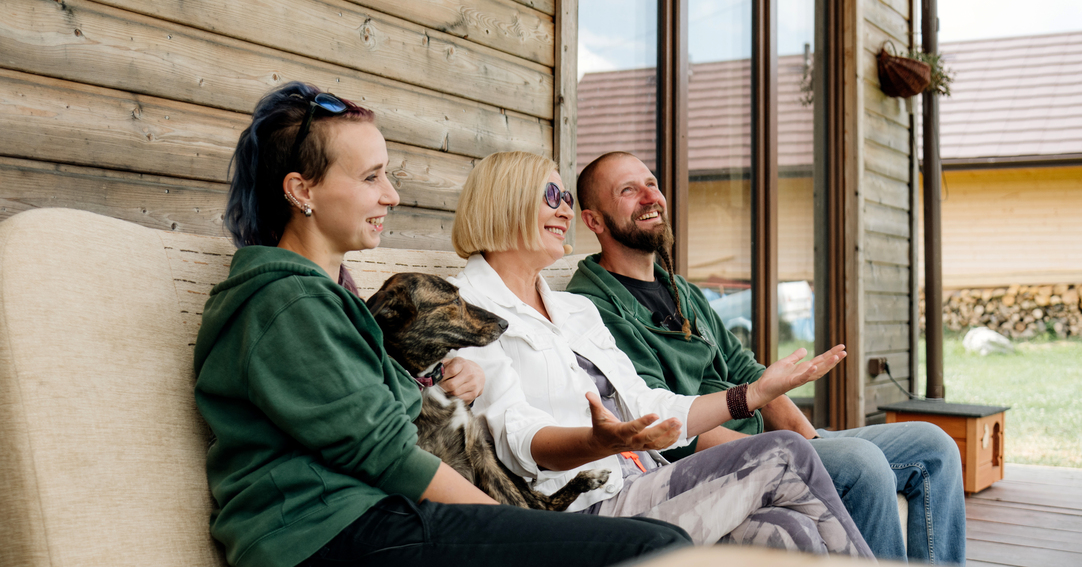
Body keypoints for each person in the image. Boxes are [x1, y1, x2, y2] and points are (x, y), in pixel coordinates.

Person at [191, 84, 696, 567]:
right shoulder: (285, 301)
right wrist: (517, 527)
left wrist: (448, 385)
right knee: (659, 548)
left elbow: (382, 413)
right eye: (371, 178)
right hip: (322, 535)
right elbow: (388, 454)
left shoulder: (326, 296)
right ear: (303, 190)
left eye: (386, 175)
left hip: (372, 517)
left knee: (664, 542)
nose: (391, 195)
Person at [448, 151, 873, 556]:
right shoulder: (463, 310)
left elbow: (648, 402)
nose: (565, 212)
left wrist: (754, 394)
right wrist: (599, 442)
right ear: (506, 203)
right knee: (785, 451)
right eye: (552, 197)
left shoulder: (574, 310)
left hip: (645, 477)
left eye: (567, 199)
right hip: (582, 510)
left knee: (787, 530)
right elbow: (519, 439)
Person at [566, 151, 967, 564]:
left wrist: (809, 442)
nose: (650, 197)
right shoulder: (593, 307)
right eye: (628, 190)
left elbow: (748, 372)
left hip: (772, 441)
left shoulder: (679, 289)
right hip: (723, 456)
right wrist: (778, 452)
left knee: (936, 447)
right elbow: (669, 430)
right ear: (594, 221)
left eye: (651, 183)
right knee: (861, 464)